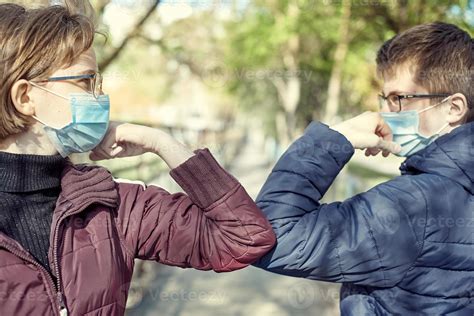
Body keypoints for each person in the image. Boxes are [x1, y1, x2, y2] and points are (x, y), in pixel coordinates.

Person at [0, 2, 276, 315]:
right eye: (84, 82)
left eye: (98, 83)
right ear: (25, 97)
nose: (99, 97)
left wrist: (161, 142)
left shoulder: (111, 204)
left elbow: (245, 238)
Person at [253, 22, 473, 315]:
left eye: (399, 99)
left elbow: (266, 235)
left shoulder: (415, 204)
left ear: (453, 108)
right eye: (385, 99)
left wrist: (333, 139)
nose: (387, 112)